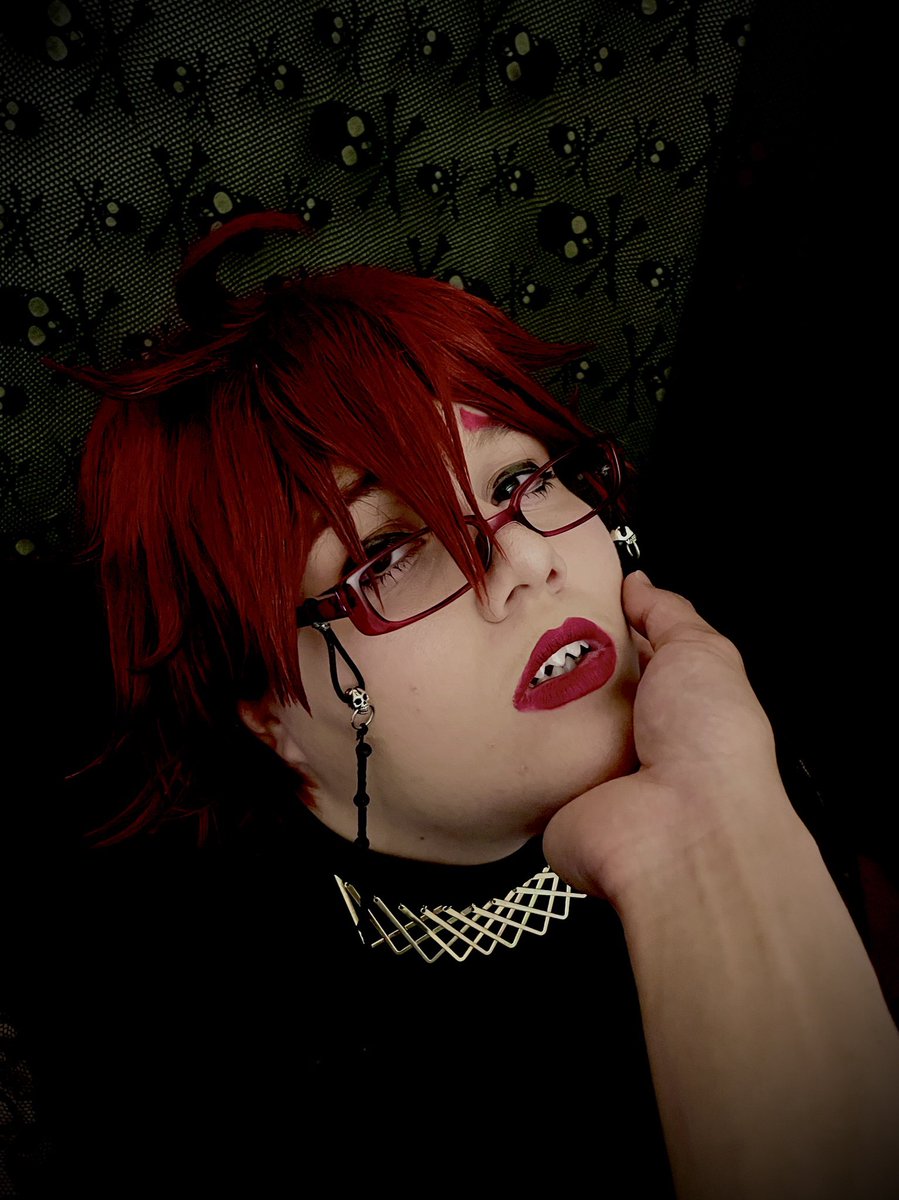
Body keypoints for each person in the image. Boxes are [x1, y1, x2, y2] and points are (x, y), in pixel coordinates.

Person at [18, 211, 898, 1198]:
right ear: (265, 712)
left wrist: (712, 827)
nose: (521, 559)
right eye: (388, 553)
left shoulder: (742, 748)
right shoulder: (197, 1043)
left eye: (517, 478)